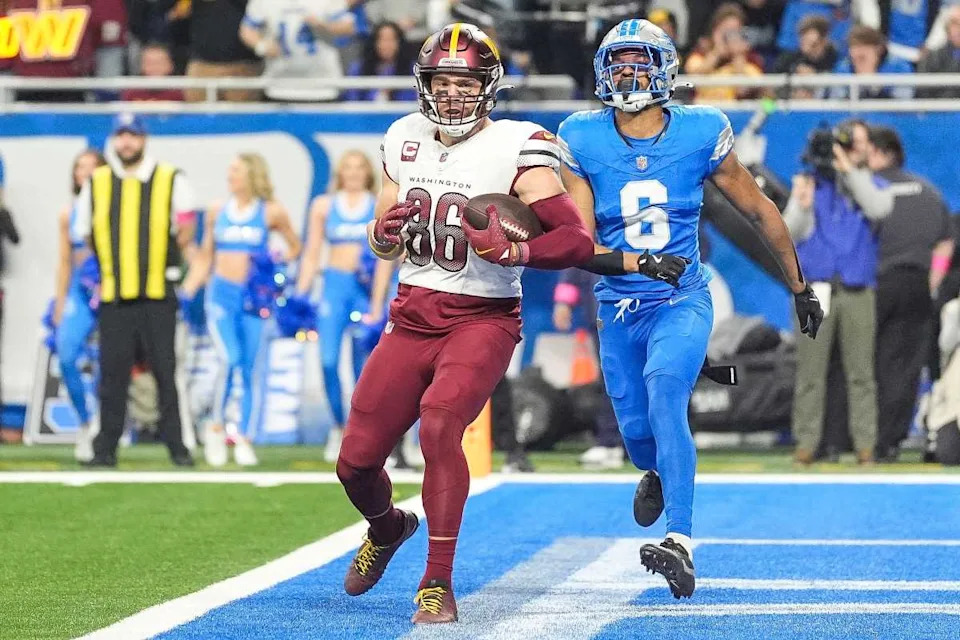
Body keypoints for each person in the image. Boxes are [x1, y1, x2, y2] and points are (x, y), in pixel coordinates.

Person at [335, 22, 594, 624]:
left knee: (439, 425)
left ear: (489, 86)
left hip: (482, 318)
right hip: (411, 315)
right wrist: (381, 234)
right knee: (354, 461)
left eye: (465, 82)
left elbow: (576, 240)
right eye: (441, 81)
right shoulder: (402, 136)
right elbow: (382, 237)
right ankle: (388, 524)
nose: (452, 94)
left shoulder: (516, 146)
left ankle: (436, 581)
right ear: (424, 84)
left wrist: (518, 253)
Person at [557, 19, 822, 599]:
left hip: (681, 299)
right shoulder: (580, 134)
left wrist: (799, 287)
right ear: (603, 71)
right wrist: (636, 264)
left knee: (664, 390)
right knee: (633, 429)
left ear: (666, 70)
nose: (628, 73)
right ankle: (654, 470)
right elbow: (580, 242)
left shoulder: (703, 129)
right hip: (618, 302)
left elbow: (759, 211)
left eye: (639, 62)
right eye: (618, 63)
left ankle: (680, 541)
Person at [75, 114, 196, 467]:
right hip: (114, 295)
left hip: (158, 295)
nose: (127, 142)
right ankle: (105, 449)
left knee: (165, 372)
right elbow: (85, 234)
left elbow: (185, 230)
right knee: (112, 375)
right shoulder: (96, 183)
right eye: (121, 136)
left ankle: (178, 447)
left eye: (133, 135)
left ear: (144, 139)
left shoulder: (170, 178)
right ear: (114, 140)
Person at [182, 154, 301, 467]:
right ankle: (216, 428)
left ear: (251, 174)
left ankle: (244, 438)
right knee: (228, 359)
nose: (229, 175)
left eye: (235, 170)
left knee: (249, 368)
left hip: (253, 300)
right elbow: (206, 255)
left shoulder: (270, 211)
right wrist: (187, 289)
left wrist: (273, 265)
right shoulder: (217, 211)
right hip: (220, 296)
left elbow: (294, 246)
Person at [783, 120, 890, 466]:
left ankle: (865, 446)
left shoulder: (873, 184)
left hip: (858, 289)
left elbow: (878, 208)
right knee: (810, 374)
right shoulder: (811, 186)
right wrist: (800, 204)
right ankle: (806, 445)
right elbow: (790, 234)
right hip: (816, 291)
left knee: (861, 374)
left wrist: (851, 172)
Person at [867, 127, 955, 462]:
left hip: (876, 285)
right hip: (916, 284)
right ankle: (891, 441)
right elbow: (945, 243)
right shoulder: (929, 192)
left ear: (884, 153)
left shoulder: (870, 190)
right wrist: (932, 280)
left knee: (870, 363)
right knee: (905, 365)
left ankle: (868, 438)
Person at [294, 150, 378, 464]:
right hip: (333, 287)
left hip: (364, 291)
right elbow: (312, 252)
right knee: (328, 360)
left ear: (367, 172)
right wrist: (300, 296)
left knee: (364, 368)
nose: (353, 173)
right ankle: (338, 426)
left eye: (359, 167)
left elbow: (388, 253)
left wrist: (378, 300)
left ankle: (360, 433)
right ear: (340, 172)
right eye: (347, 167)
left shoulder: (376, 204)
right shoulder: (324, 206)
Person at [53, 150, 105, 462]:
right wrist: (60, 301)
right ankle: (85, 421)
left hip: (110, 288)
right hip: (80, 293)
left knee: (110, 360)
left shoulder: (114, 207)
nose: (84, 172)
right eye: (79, 167)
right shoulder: (67, 213)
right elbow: (64, 262)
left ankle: (105, 423)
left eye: (91, 166)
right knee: (67, 352)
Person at [552, 270, 624, 470]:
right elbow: (578, 254)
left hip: (647, 309)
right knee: (612, 378)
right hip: (605, 311)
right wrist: (563, 302)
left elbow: (699, 246)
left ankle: (659, 443)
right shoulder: (593, 239)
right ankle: (610, 443)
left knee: (654, 376)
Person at [240, 0, 356, 102]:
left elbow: (348, 27)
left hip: (323, 86)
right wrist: (262, 46)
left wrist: (322, 25)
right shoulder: (264, 2)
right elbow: (247, 29)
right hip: (279, 86)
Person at [683, 3, 764, 101]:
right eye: (725, 31)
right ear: (715, 30)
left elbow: (743, 90)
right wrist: (716, 53)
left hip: (736, 113)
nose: (729, 37)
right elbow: (693, 78)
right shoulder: (700, 54)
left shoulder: (751, 59)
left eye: (734, 32)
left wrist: (738, 57)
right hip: (704, 111)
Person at [343, 22, 417, 102]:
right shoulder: (359, 68)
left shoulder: (413, 69)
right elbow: (352, 98)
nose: (387, 44)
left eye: (391, 39)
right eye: (382, 40)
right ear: (374, 42)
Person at [917, 5, 960, 98]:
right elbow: (923, 90)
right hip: (938, 109)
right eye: (955, 24)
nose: (959, 30)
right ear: (948, 27)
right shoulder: (932, 57)